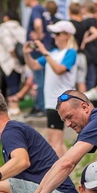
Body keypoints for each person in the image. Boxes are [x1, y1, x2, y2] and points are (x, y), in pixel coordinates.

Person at [23, 20, 78, 157]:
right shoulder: (53, 53)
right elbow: (34, 66)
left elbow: (59, 70)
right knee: (56, 141)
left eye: (57, 33)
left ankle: (60, 174)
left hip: (61, 100)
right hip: (51, 101)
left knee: (55, 142)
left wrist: (45, 53)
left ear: (67, 35)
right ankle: (68, 174)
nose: (54, 36)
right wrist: (26, 54)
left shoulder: (70, 52)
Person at [0, 11, 26, 115]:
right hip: (20, 61)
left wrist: (14, 56)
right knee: (9, 83)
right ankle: (2, 106)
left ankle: (14, 107)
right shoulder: (21, 29)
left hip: (7, 60)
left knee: (12, 84)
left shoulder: (3, 28)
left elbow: (10, 47)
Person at [23, 0, 48, 117]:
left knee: (39, 79)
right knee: (41, 78)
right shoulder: (43, 9)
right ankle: (40, 105)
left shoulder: (36, 9)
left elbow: (37, 24)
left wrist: (37, 38)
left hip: (38, 51)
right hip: (43, 50)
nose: (23, 0)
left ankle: (41, 107)